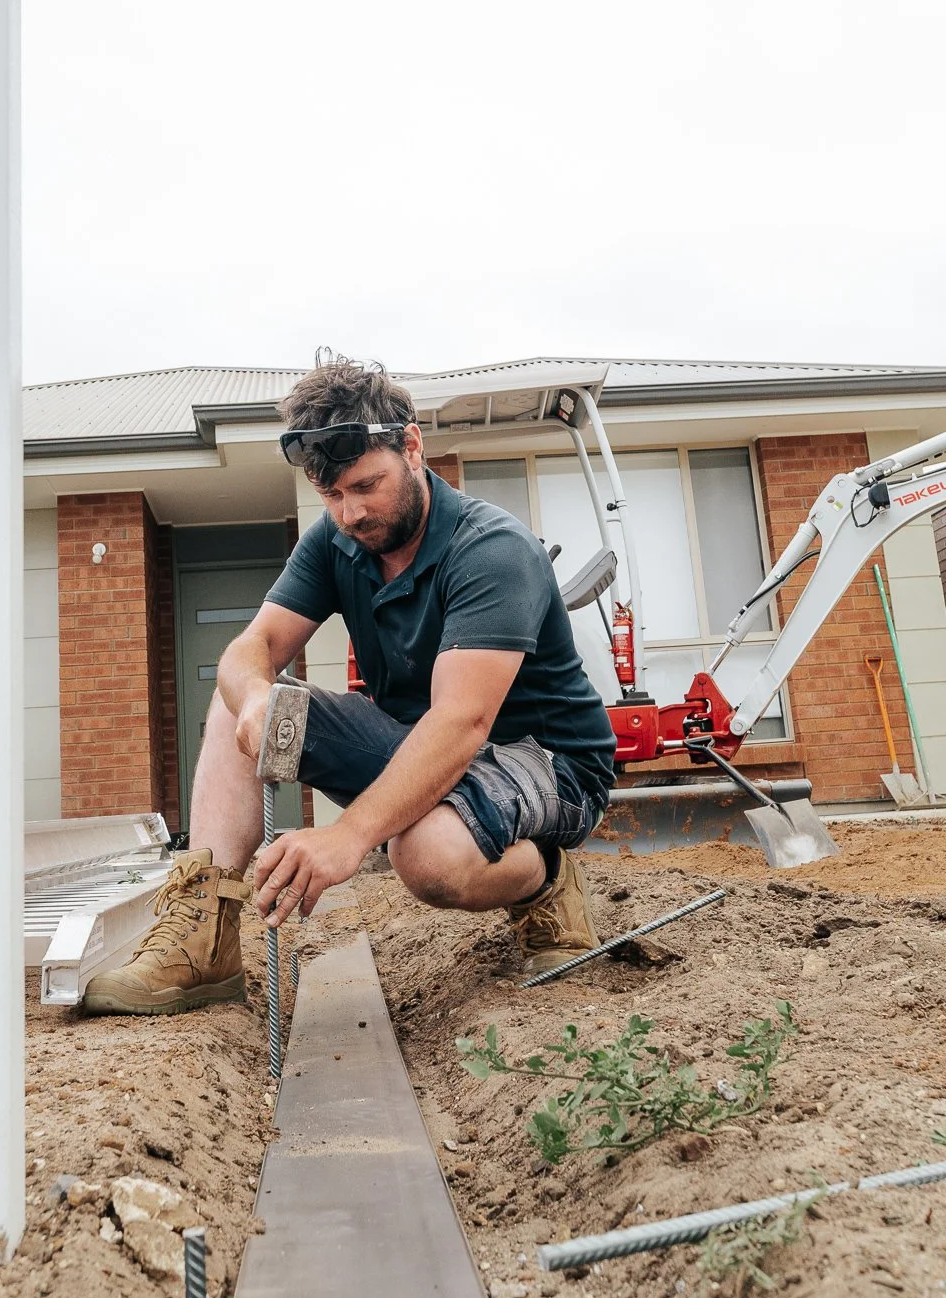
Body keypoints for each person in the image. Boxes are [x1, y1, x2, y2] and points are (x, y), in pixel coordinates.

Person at [83, 354, 617, 1016]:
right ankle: (206, 940)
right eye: (332, 494)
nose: (350, 513)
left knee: (423, 858)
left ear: (412, 446)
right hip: (421, 743)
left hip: (545, 761)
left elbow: (463, 722)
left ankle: (545, 879)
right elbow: (253, 649)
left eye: (367, 485)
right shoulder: (337, 541)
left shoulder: (491, 550)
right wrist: (253, 701)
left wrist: (347, 836)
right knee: (240, 701)